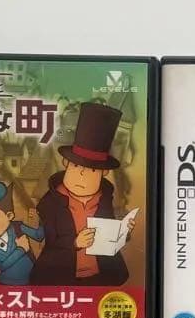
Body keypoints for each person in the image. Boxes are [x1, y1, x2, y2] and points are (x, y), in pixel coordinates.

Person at [30, 102, 134, 286]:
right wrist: (75, 243)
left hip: (101, 277)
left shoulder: (105, 200)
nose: (81, 175)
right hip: (61, 278)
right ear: (66, 163)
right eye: (76, 166)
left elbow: (108, 241)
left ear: (103, 172)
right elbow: (51, 241)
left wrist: (123, 232)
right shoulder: (50, 203)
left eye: (91, 170)